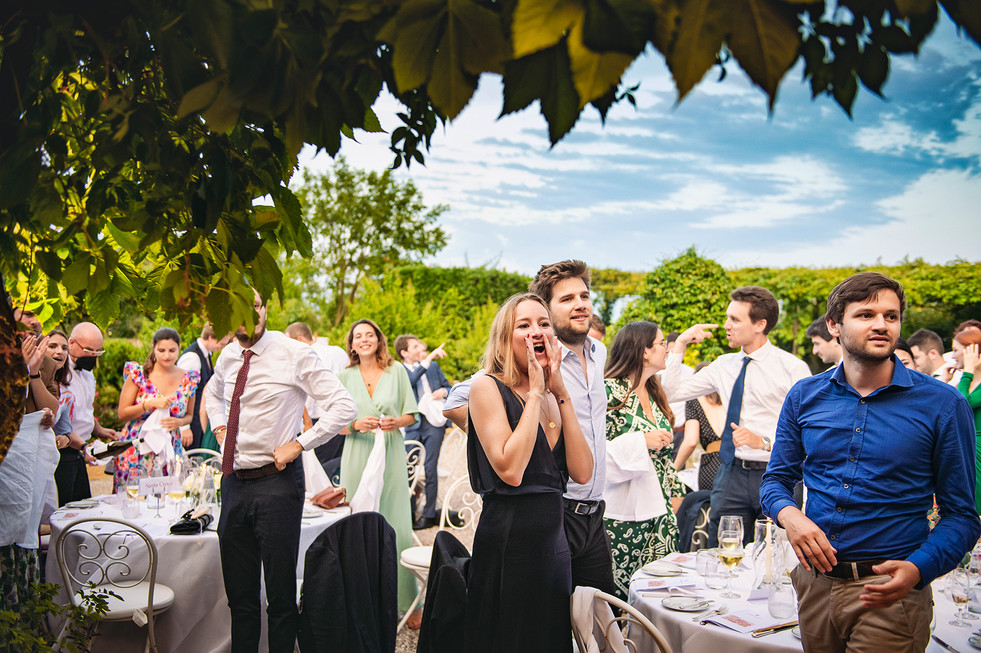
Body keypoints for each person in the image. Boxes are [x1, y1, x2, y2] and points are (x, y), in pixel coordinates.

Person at [761, 272, 980, 652]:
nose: (881, 324)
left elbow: (961, 515)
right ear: (834, 326)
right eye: (866, 315)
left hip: (890, 593)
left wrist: (918, 568)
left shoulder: (944, 404)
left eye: (891, 316)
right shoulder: (804, 396)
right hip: (814, 585)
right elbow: (775, 480)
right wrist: (790, 516)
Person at [442, 260, 616, 595]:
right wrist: (494, 435)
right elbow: (457, 401)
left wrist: (557, 394)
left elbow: (583, 465)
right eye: (567, 299)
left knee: (600, 620)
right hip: (552, 513)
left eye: (584, 295)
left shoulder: (598, 353)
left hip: (593, 511)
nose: (580, 304)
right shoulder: (527, 367)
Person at [205, 291, 356, 653]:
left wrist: (302, 442)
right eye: (239, 308)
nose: (249, 314)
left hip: (277, 483)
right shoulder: (227, 355)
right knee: (239, 598)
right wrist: (220, 427)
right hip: (234, 484)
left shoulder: (295, 353)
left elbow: (343, 406)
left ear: (265, 309)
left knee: (281, 598)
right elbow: (212, 394)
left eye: (255, 306)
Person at [465, 293, 593, 652]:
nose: (536, 331)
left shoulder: (554, 395)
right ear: (505, 338)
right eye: (524, 325)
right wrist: (536, 394)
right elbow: (510, 470)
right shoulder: (486, 387)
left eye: (543, 323)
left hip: (553, 546)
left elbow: (583, 473)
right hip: (508, 545)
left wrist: (560, 392)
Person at [663, 286, 810, 546]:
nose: (726, 325)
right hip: (730, 473)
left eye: (735, 319)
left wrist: (764, 443)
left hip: (778, 475)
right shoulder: (723, 365)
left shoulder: (793, 368)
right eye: (727, 317)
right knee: (723, 551)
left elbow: (809, 433)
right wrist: (681, 345)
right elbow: (670, 392)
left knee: (774, 555)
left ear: (760, 324)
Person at [335, 319, 421, 626]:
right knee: (355, 523)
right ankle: (357, 599)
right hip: (356, 453)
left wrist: (397, 422)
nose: (364, 339)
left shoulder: (396, 371)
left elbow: (412, 413)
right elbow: (334, 424)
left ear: (378, 340)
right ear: (352, 344)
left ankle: (408, 602)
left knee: (395, 521)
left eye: (369, 334)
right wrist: (355, 425)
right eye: (358, 336)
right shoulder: (343, 376)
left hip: (391, 454)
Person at [602, 321, 684, 600]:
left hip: (661, 513)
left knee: (659, 593)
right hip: (624, 516)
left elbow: (665, 462)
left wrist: (675, 497)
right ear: (645, 352)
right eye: (662, 344)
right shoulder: (610, 391)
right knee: (620, 596)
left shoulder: (654, 392)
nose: (667, 349)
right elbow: (592, 451)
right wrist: (641, 442)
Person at [113, 327, 200, 492]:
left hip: (169, 446)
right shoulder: (139, 375)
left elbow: (189, 415)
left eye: (171, 350)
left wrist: (179, 422)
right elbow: (122, 413)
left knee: (168, 498)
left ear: (179, 349)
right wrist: (148, 404)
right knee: (133, 498)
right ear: (154, 349)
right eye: (161, 350)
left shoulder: (189, 379)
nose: (167, 355)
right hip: (137, 446)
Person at [394, 333, 452, 529]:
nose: (420, 350)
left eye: (421, 347)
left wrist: (443, 392)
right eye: (415, 347)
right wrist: (427, 360)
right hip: (412, 424)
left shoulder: (433, 367)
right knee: (408, 469)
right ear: (404, 353)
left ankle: (428, 515)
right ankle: (409, 513)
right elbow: (411, 380)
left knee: (430, 468)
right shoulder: (399, 370)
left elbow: (449, 387)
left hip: (433, 423)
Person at [285, 322, 349, 478]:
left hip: (317, 422)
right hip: (343, 420)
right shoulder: (338, 352)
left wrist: (307, 423)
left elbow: (298, 391)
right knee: (337, 469)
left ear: (299, 339)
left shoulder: (302, 355)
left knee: (318, 472)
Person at [45, 330, 91, 505]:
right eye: (53, 346)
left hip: (61, 457)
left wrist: (61, 439)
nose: (60, 351)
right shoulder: (27, 383)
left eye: (64, 348)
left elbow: (66, 431)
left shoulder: (66, 390)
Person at [176, 322, 229, 450]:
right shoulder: (192, 358)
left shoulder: (206, 355)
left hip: (197, 421)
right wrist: (184, 427)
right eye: (221, 343)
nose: (222, 347)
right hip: (190, 424)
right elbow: (181, 392)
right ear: (211, 337)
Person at [673, 362, 725, 492]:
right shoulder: (729, 397)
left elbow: (691, 441)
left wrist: (672, 471)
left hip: (711, 466)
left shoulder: (694, 400)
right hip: (736, 464)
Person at [951, 323, 981, 512]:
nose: (952, 356)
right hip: (967, 448)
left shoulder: (968, 379)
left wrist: (968, 372)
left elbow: (961, 404)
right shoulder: (967, 381)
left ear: (972, 350)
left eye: (955, 350)